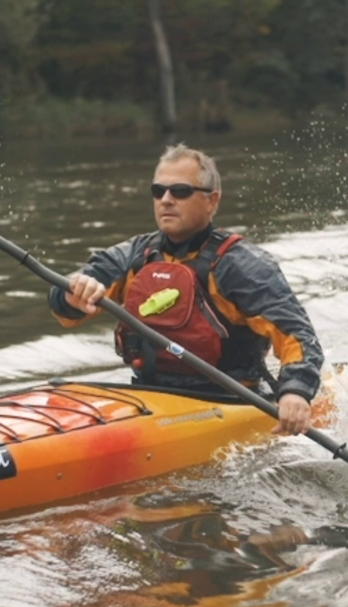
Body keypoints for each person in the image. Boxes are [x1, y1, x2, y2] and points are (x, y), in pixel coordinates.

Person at [48, 143, 324, 436]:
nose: (166, 200)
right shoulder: (134, 255)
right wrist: (74, 291)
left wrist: (295, 391)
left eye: (180, 191)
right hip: (149, 397)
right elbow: (63, 305)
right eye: (158, 191)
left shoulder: (242, 266)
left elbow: (298, 335)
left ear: (212, 201)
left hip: (227, 400)